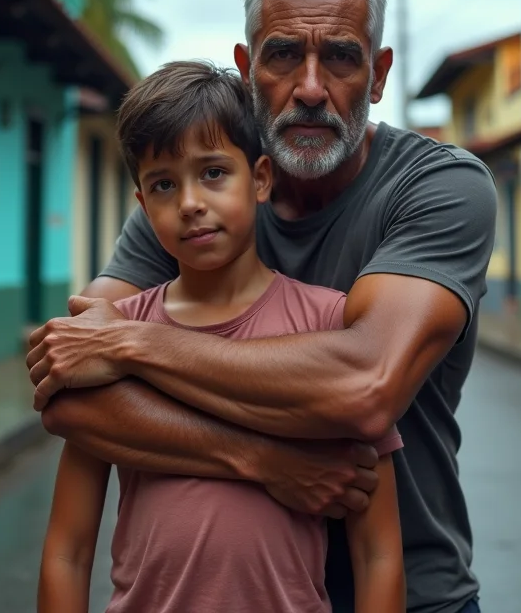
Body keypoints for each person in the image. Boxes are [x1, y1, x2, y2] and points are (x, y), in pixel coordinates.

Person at [28, 0, 496, 613]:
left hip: (411, 596)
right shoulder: (197, 208)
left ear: (379, 73)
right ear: (248, 68)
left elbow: (364, 386)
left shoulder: (439, 188)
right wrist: (265, 463)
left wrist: (134, 345)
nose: (310, 88)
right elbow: (67, 384)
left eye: (340, 56)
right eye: (282, 55)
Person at [38, 60, 406, 613]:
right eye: (164, 184)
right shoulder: (113, 335)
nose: (189, 202)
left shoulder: (330, 324)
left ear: (260, 178)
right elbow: (67, 549)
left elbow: (378, 552)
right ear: (142, 203)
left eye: (213, 173)